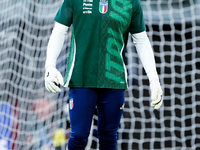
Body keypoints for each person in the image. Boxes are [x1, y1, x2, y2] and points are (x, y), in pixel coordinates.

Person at [44, 0, 163, 149]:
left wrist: (154, 79)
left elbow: (141, 39)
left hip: (114, 78)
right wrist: (50, 65)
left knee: (108, 137)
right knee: (79, 135)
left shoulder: (131, 3)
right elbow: (59, 30)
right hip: (81, 77)